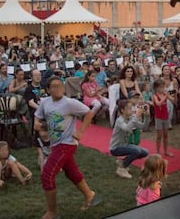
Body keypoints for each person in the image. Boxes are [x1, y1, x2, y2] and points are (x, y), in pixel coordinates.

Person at [34, 76, 100, 219]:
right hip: (55, 144)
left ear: (64, 88)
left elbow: (88, 113)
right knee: (71, 172)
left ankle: (52, 212)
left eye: (60, 86)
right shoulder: (45, 102)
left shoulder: (70, 103)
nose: (57, 89)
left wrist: (81, 131)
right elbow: (37, 115)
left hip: (67, 144)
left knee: (47, 175)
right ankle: (89, 195)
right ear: (48, 89)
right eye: (54, 86)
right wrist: (36, 122)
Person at [109, 99, 148, 179]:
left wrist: (147, 116)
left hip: (125, 145)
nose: (132, 110)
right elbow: (126, 128)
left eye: (131, 108)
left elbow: (143, 126)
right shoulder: (119, 120)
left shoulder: (131, 118)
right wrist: (136, 116)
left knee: (145, 152)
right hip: (115, 148)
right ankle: (121, 168)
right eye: (129, 108)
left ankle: (122, 162)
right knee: (136, 151)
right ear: (122, 110)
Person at [152, 79, 175, 157]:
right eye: (161, 87)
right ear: (156, 88)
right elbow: (158, 104)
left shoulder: (165, 94)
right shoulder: (155, 95)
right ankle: (158, 152)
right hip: (158, 117)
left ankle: (166, 151)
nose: (162, 89)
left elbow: (173, 100)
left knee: (166, 135)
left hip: (165, 117)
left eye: (163, 87)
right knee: (159, 136)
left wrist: (172, 95)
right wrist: (165, 97)